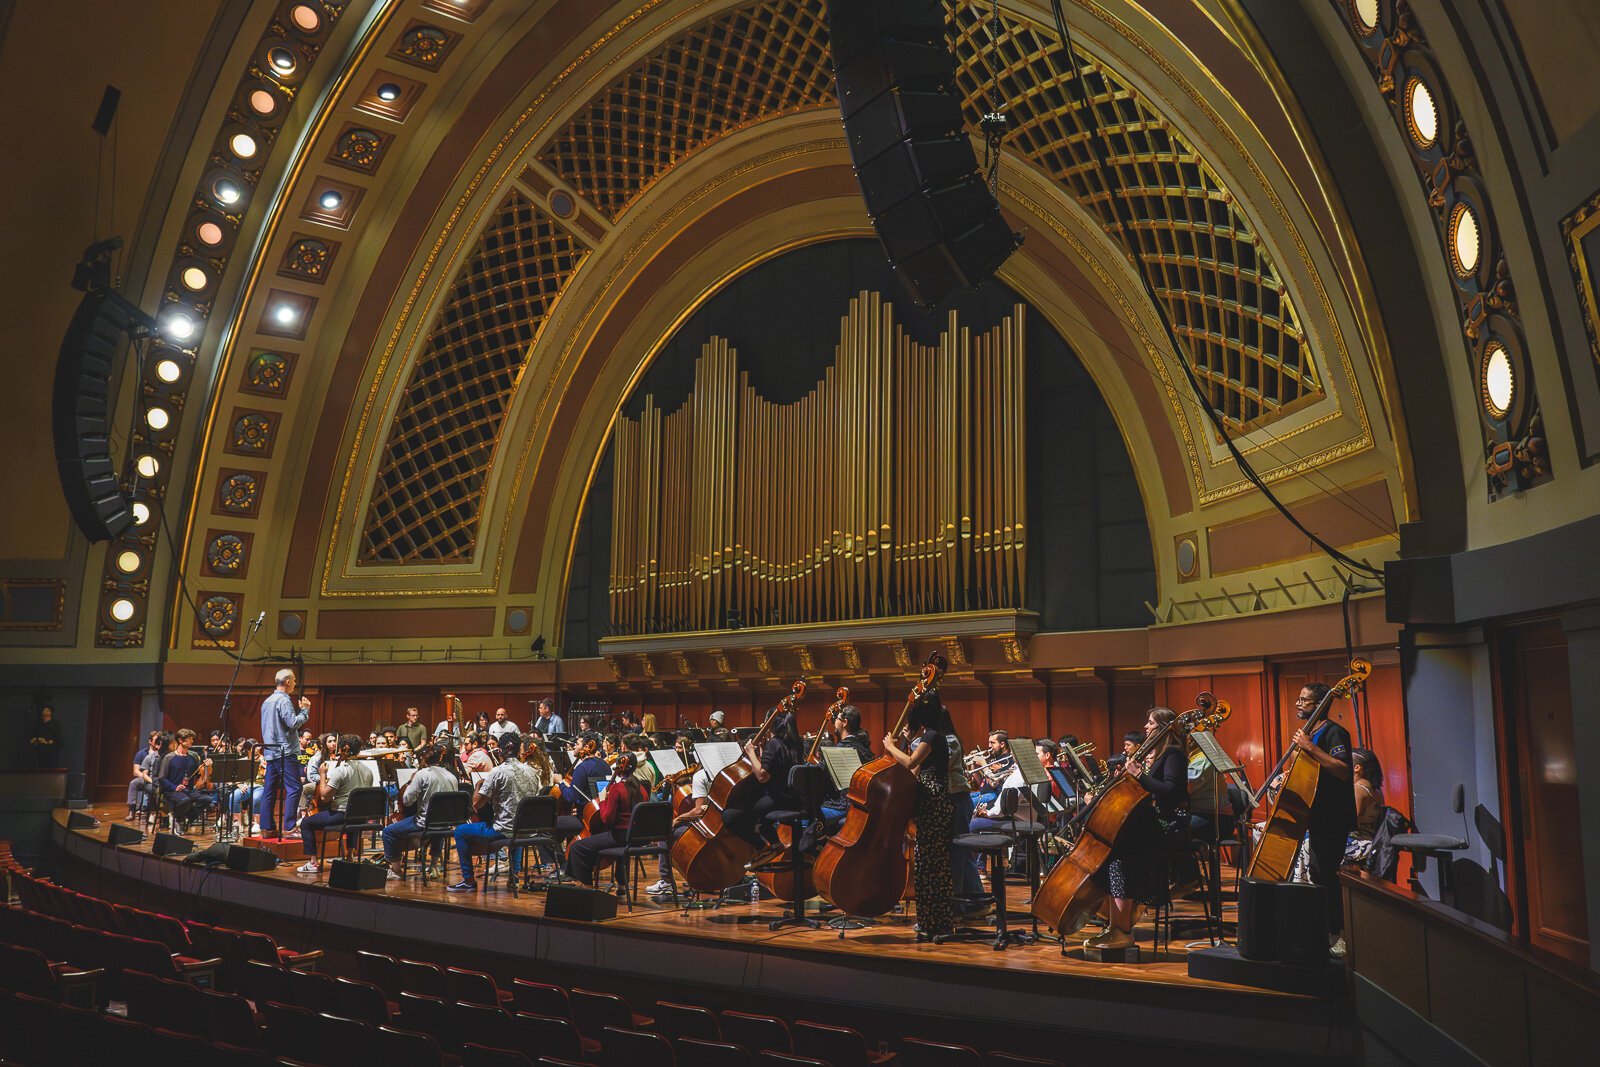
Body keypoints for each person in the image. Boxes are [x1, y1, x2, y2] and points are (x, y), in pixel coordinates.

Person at [1085, 707, 1189, 951]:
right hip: (1153, 822)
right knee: (1113, 854)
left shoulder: (1173, 754)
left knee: (1120, 858)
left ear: (1164, 727)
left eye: (1151, 723)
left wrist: (1140, 774)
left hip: (1168, 825)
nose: (1146, 727)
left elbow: (1172, 792)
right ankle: (1116, 925)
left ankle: (1122, 929)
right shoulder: (1159, 753)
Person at [1280, 682, 1356, 950]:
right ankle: (1324, 931)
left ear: (1321, 704)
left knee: (1326, 874)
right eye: (1299, 699)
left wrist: (1309, 747)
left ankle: (1338, 935)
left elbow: (1342, 770)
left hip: (1333, 815)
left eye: (1305, 700)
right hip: (1314, 812)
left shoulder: (1335, 733)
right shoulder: (1310, 731)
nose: (1299, 704)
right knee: (1316, 872)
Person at [882, 694, 958, 942]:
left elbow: (912, 761)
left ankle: (939, 922)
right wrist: (904, 743)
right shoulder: (931, 735)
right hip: (931, 799)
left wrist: (891, 747)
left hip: (934, 801)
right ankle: (928, 921)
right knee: (926, 865)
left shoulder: (933, 735)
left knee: (933, 863)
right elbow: (915, 769)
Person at [449, 732, 545, 891]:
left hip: (502, 831)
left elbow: (476, 805)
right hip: (526, 830)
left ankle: (468, 880)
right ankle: (513, 877)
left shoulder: (497, 772)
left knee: (460, 831)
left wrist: (479, 786)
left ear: (501, 751)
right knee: (516, 826)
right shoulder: (532, 773)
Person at [721, 709, 804, 851]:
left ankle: (761, 847)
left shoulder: (775, 743)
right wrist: (762, 751)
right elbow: (776, 765)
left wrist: (750, 752)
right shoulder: (797, 743)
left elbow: (762, 776)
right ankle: (772, 839)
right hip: (794, 800)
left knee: (730, 816)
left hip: (777, 800)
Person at [566, 752, 651, 889]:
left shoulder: (616, 789)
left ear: (618, 768)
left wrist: (604, 800)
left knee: (578, 847)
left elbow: (607, 819)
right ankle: (622, 886)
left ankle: (587, 885)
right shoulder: (642, 788)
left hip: (621, 836)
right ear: (634, 768)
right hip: (637, 836)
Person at [296, 734, 374, 874]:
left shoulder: (341, 770)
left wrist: (322, 774)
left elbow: (325, 796)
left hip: (341, 814)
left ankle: (313, 863)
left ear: (345, 748)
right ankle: (350, 855)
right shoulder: (368, 770)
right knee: (353, 816)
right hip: (359, 816)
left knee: (306, 823)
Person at [382, 742, 459, 880]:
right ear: (439, 759)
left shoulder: (422, 774)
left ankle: (396, 871)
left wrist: (411, 782)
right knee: (438, 825)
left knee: (388, 832)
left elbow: (406, 800)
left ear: (423, 759)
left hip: (423, 823)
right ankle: (433, 866)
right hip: (445, 824)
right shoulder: (452, 776)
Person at [647, 762, 712, 895]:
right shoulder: (726, 773)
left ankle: (666, 881)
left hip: (706, 827)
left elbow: (699, 810)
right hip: (721, 824)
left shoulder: (701, 776)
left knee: (667, 834)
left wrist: (677, 820)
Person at [260, 669, 311, 838]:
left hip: (271, 751)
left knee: (269, 790)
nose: (295, 684)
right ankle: (289, 828)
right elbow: (292, 723)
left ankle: (267, 828)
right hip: (285, 751)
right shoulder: (284, 700)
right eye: (294, 680)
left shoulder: (267, 701)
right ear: (288, 682)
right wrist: (304, 711)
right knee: (295, 788)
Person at [158, 729, 213, 830]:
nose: (192, 741)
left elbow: (200, 777)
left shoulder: (193, 757)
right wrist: (174, 787)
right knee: (185, 800)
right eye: (189, 739)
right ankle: (178, 819)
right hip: (172, 790)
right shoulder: (169, 757)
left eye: (192, 739)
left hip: (188, 790)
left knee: (207, 799)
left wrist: (207, 767)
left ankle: (187, 818)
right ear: (180, 740)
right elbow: (162, 778)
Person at [1345, 747, 1386, 862]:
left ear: (1357, 768)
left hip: (1358, 844)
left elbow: (1350, 821)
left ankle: (1306, 880)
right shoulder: (1376, 790)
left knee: (1309, 842)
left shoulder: (1358, 789)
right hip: (1370, 841)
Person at [126, 729, 161, 821]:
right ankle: (131, 811)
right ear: (150, 741)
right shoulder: (141, 754)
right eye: (156, 740)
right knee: (133, 783)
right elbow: (136, 771)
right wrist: (146, 777)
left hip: (157, 778)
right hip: (144, 777)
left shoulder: (162, 754)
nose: (158, 742)